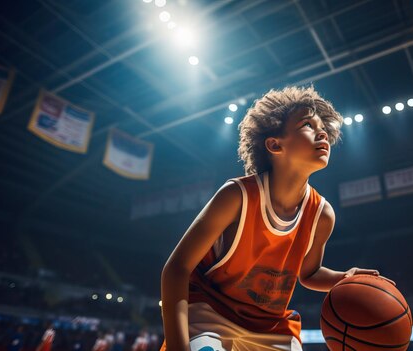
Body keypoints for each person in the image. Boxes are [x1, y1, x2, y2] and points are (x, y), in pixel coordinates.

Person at [160, 86, 382, 351]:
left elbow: (308, 273)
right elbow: (176, 269)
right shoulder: (237, 196)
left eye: (323, 127)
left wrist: (343, 278)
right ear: (275, 145)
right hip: (211, 313)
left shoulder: (321, 214)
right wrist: (177, 344)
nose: (322, 132)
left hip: (271, 326)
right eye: (308, 125)